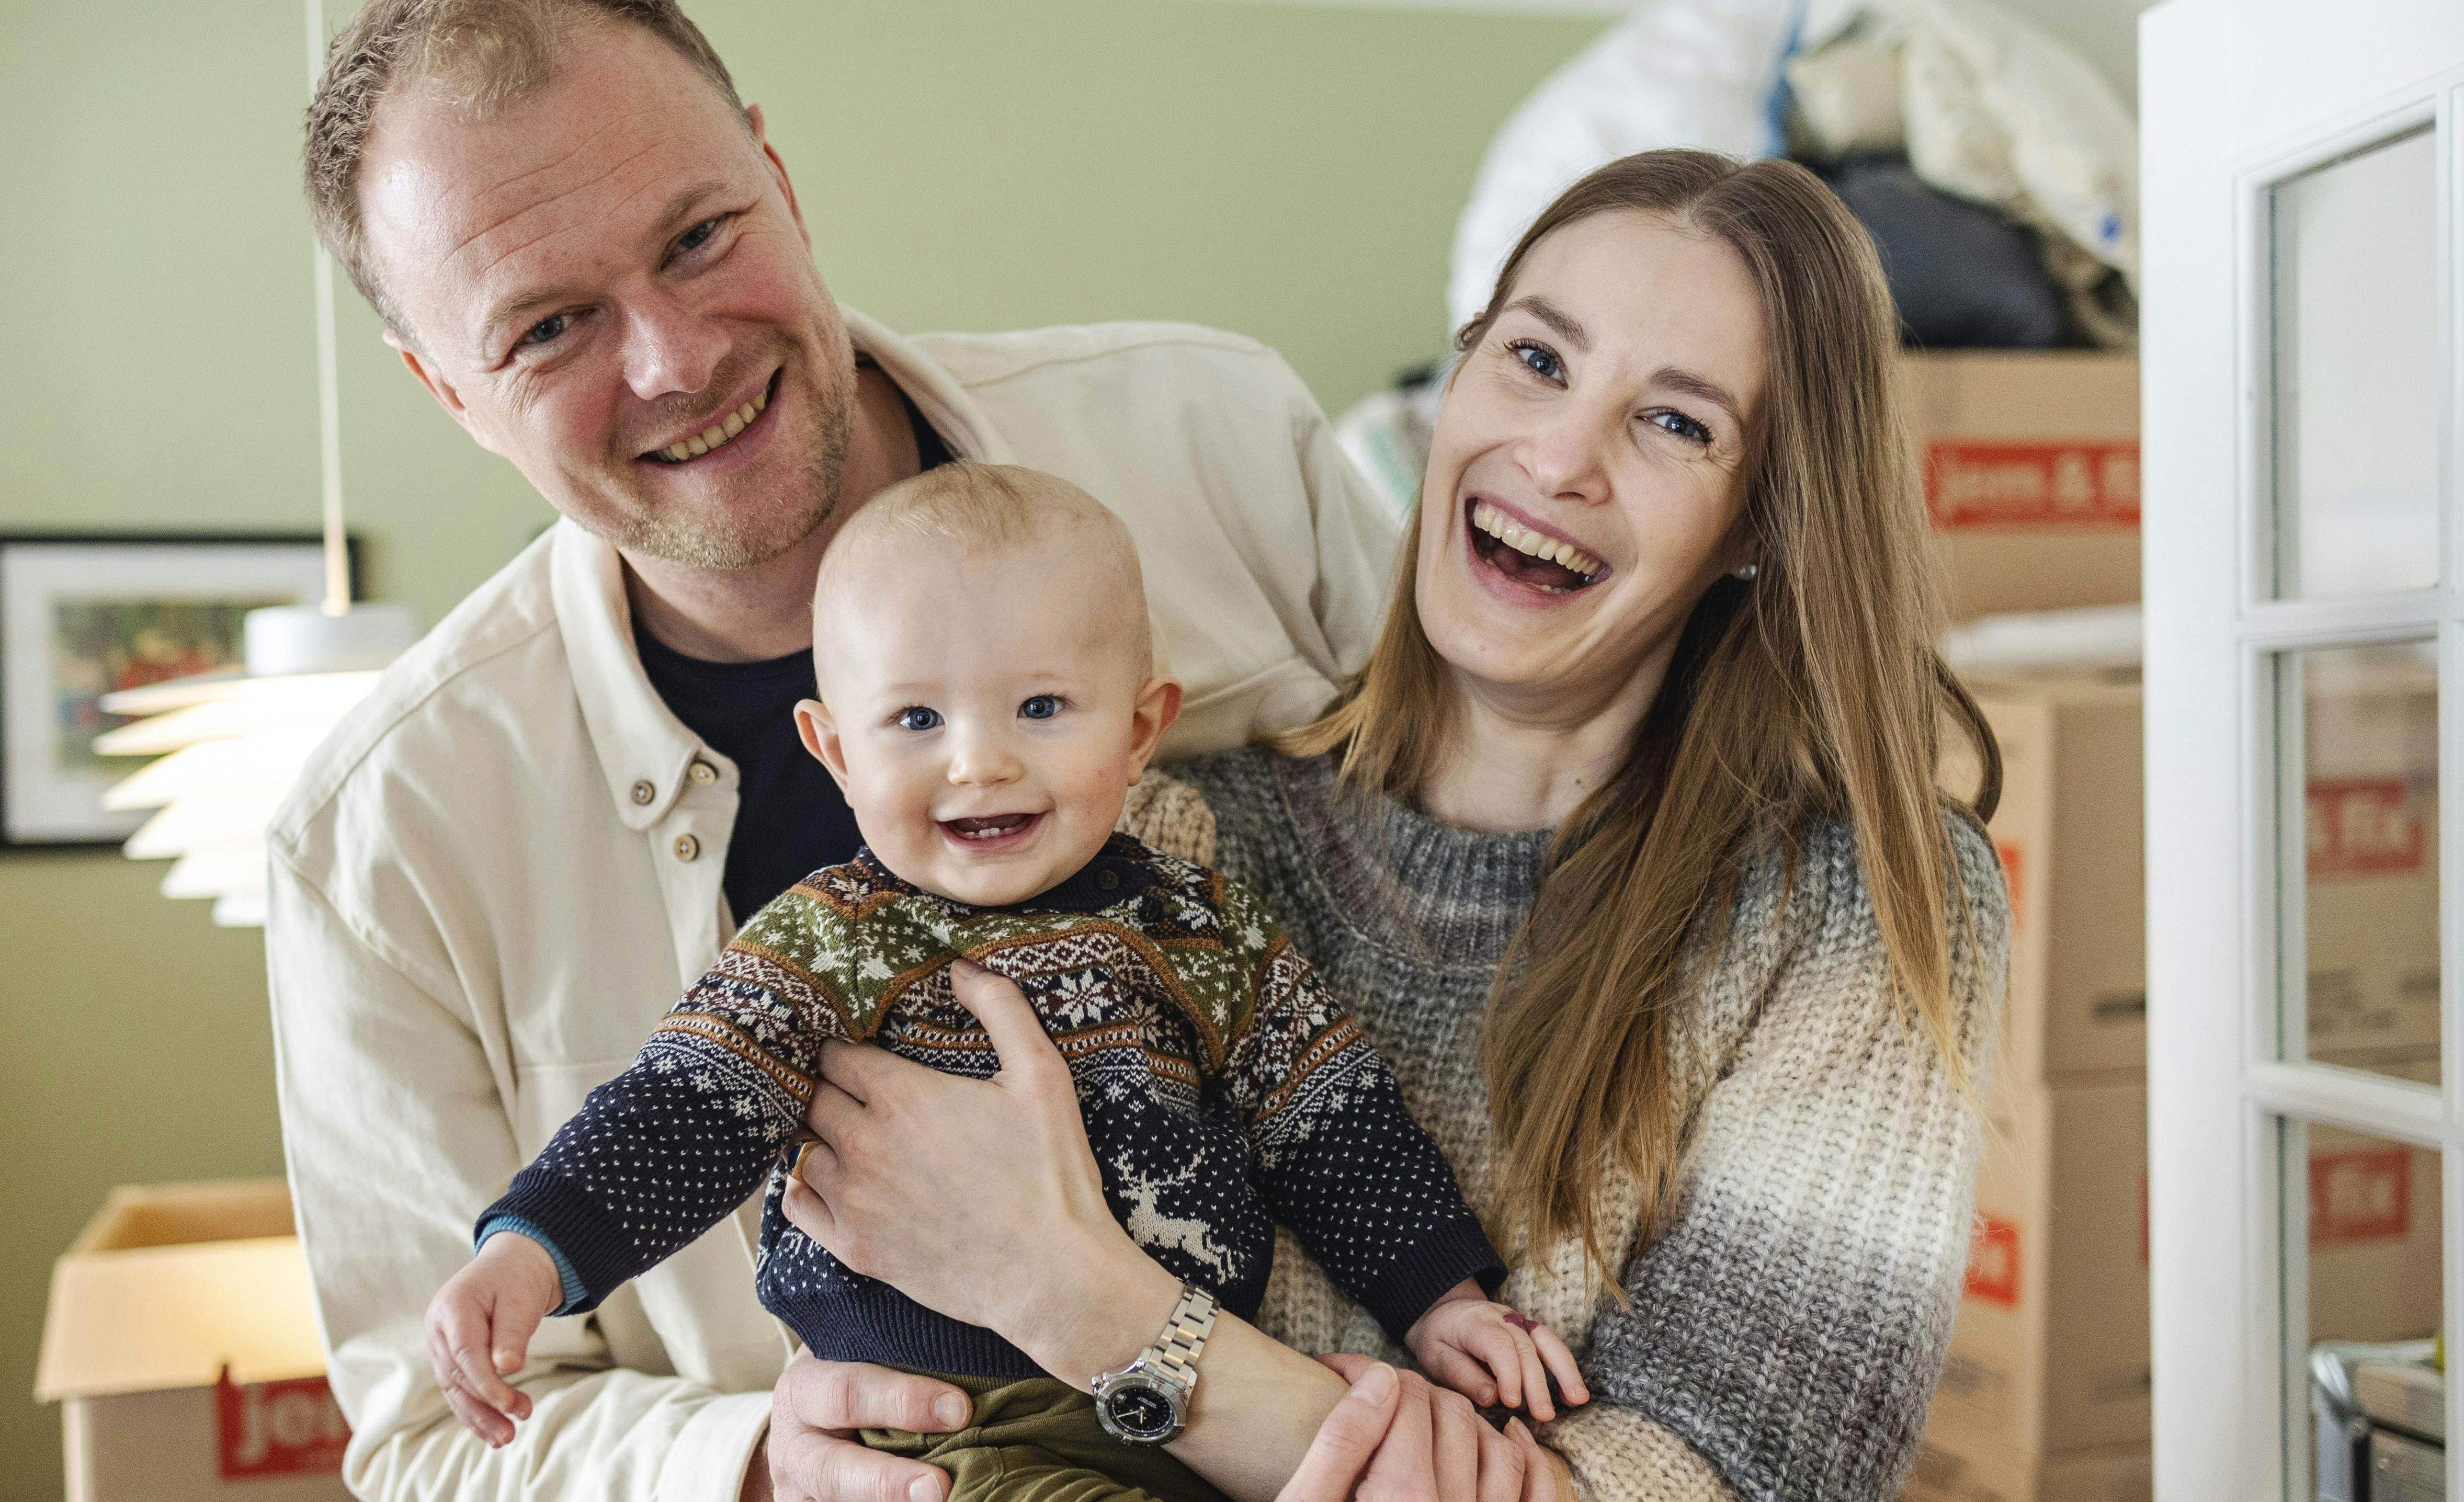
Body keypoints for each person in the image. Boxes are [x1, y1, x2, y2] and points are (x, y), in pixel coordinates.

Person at [265, 0, 1494, 1502]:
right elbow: (430, 1430)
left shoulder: (1219, 442)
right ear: (445, 385)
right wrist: (748, 1463)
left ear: (778, 174)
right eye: (549, 327)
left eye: (702, 235)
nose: (676, 356)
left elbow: (1522, 896)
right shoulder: (380, 839)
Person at [757, 150, 2013, 1502]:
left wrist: (1092, 1305)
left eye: (1678, 423)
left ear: (1766, 516)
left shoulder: (1854, 907)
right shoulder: (1170, 838)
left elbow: (1754, 1481)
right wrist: (832, 1421)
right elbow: (904, 1228)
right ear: (1456, 382)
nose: (1558, 455)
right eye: (1536, 358)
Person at [425, 463, 1583, 1501]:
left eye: (1039, 707)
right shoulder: (830, 941)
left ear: (1139, 730)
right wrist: (532, 1248)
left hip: (1187, 1414)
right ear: (837, 749)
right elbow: (685, 1099)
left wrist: (1446, 1302)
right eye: (917, 718)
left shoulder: (1204, 927)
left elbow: (1335, 1119)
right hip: (946, 1424)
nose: (978, 757)